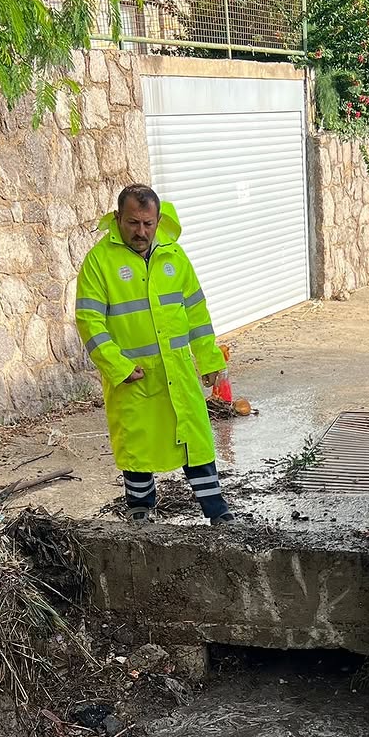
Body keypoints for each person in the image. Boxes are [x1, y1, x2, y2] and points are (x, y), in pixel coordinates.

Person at [74, 184, 234, 525]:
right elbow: (89, 319)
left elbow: (196, 312)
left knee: (195, 439)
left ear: (158, 219)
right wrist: (117, 366)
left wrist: (208, 359)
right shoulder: (100, 262)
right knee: (138, 445)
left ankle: (218, 512)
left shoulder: (174, 256)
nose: (141, 232)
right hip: (134, 377)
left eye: (148, 224)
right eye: (133, 223)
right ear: (118, 218)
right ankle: (141, 513)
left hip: (177, 372)